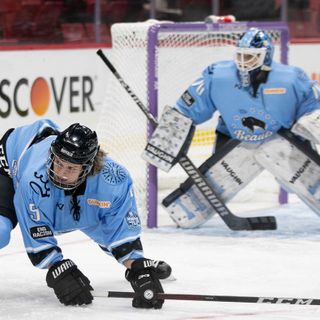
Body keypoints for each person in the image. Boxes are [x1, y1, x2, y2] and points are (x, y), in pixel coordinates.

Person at [142, 27, 320, 228]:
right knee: (186, 216)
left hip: (281, 141)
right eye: (241, 55)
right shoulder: (217, 76)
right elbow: (188, 108)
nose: (244, 62)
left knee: (294, 165)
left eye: (251, 57)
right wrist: (171, 133)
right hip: (234, 143)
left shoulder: (291, 78)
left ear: (266, 57)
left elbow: (313, 106)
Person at [0, 119, 171, 308]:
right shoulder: (33, 180)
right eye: (58, 163)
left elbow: (119, 233)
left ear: (89, 167)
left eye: (71, 168)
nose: (61, 173)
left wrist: (138, 267)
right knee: (1, 230)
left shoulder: (114, 181)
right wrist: (58, 269)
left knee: (112, 238)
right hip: (10, 166)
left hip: (72, 198)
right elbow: (38, 237)